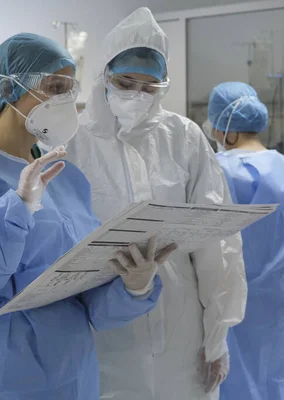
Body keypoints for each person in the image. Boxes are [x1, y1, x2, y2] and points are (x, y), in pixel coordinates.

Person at [0, 33, 178, 400]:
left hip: (71, 369)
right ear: (8, 88)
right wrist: (15, 211)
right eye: (55, 86)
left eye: (70, 88)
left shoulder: (63, 175)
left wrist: (134, 285)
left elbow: (85, 296)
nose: (66, 100)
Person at [65, 8, 247, 400]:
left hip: (182, 329)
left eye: (149, 88)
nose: (137, 96)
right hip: (103, 330)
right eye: (126, 82)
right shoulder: (74, 143)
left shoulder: (183, 137)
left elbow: (217, 244)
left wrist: (217, 336)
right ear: (104, 77)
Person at [206, 82, 284, 400]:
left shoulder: (220, 171)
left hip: (227, 308)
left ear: (225, 129)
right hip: (277, 306)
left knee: (227, 384)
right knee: (272, 380)